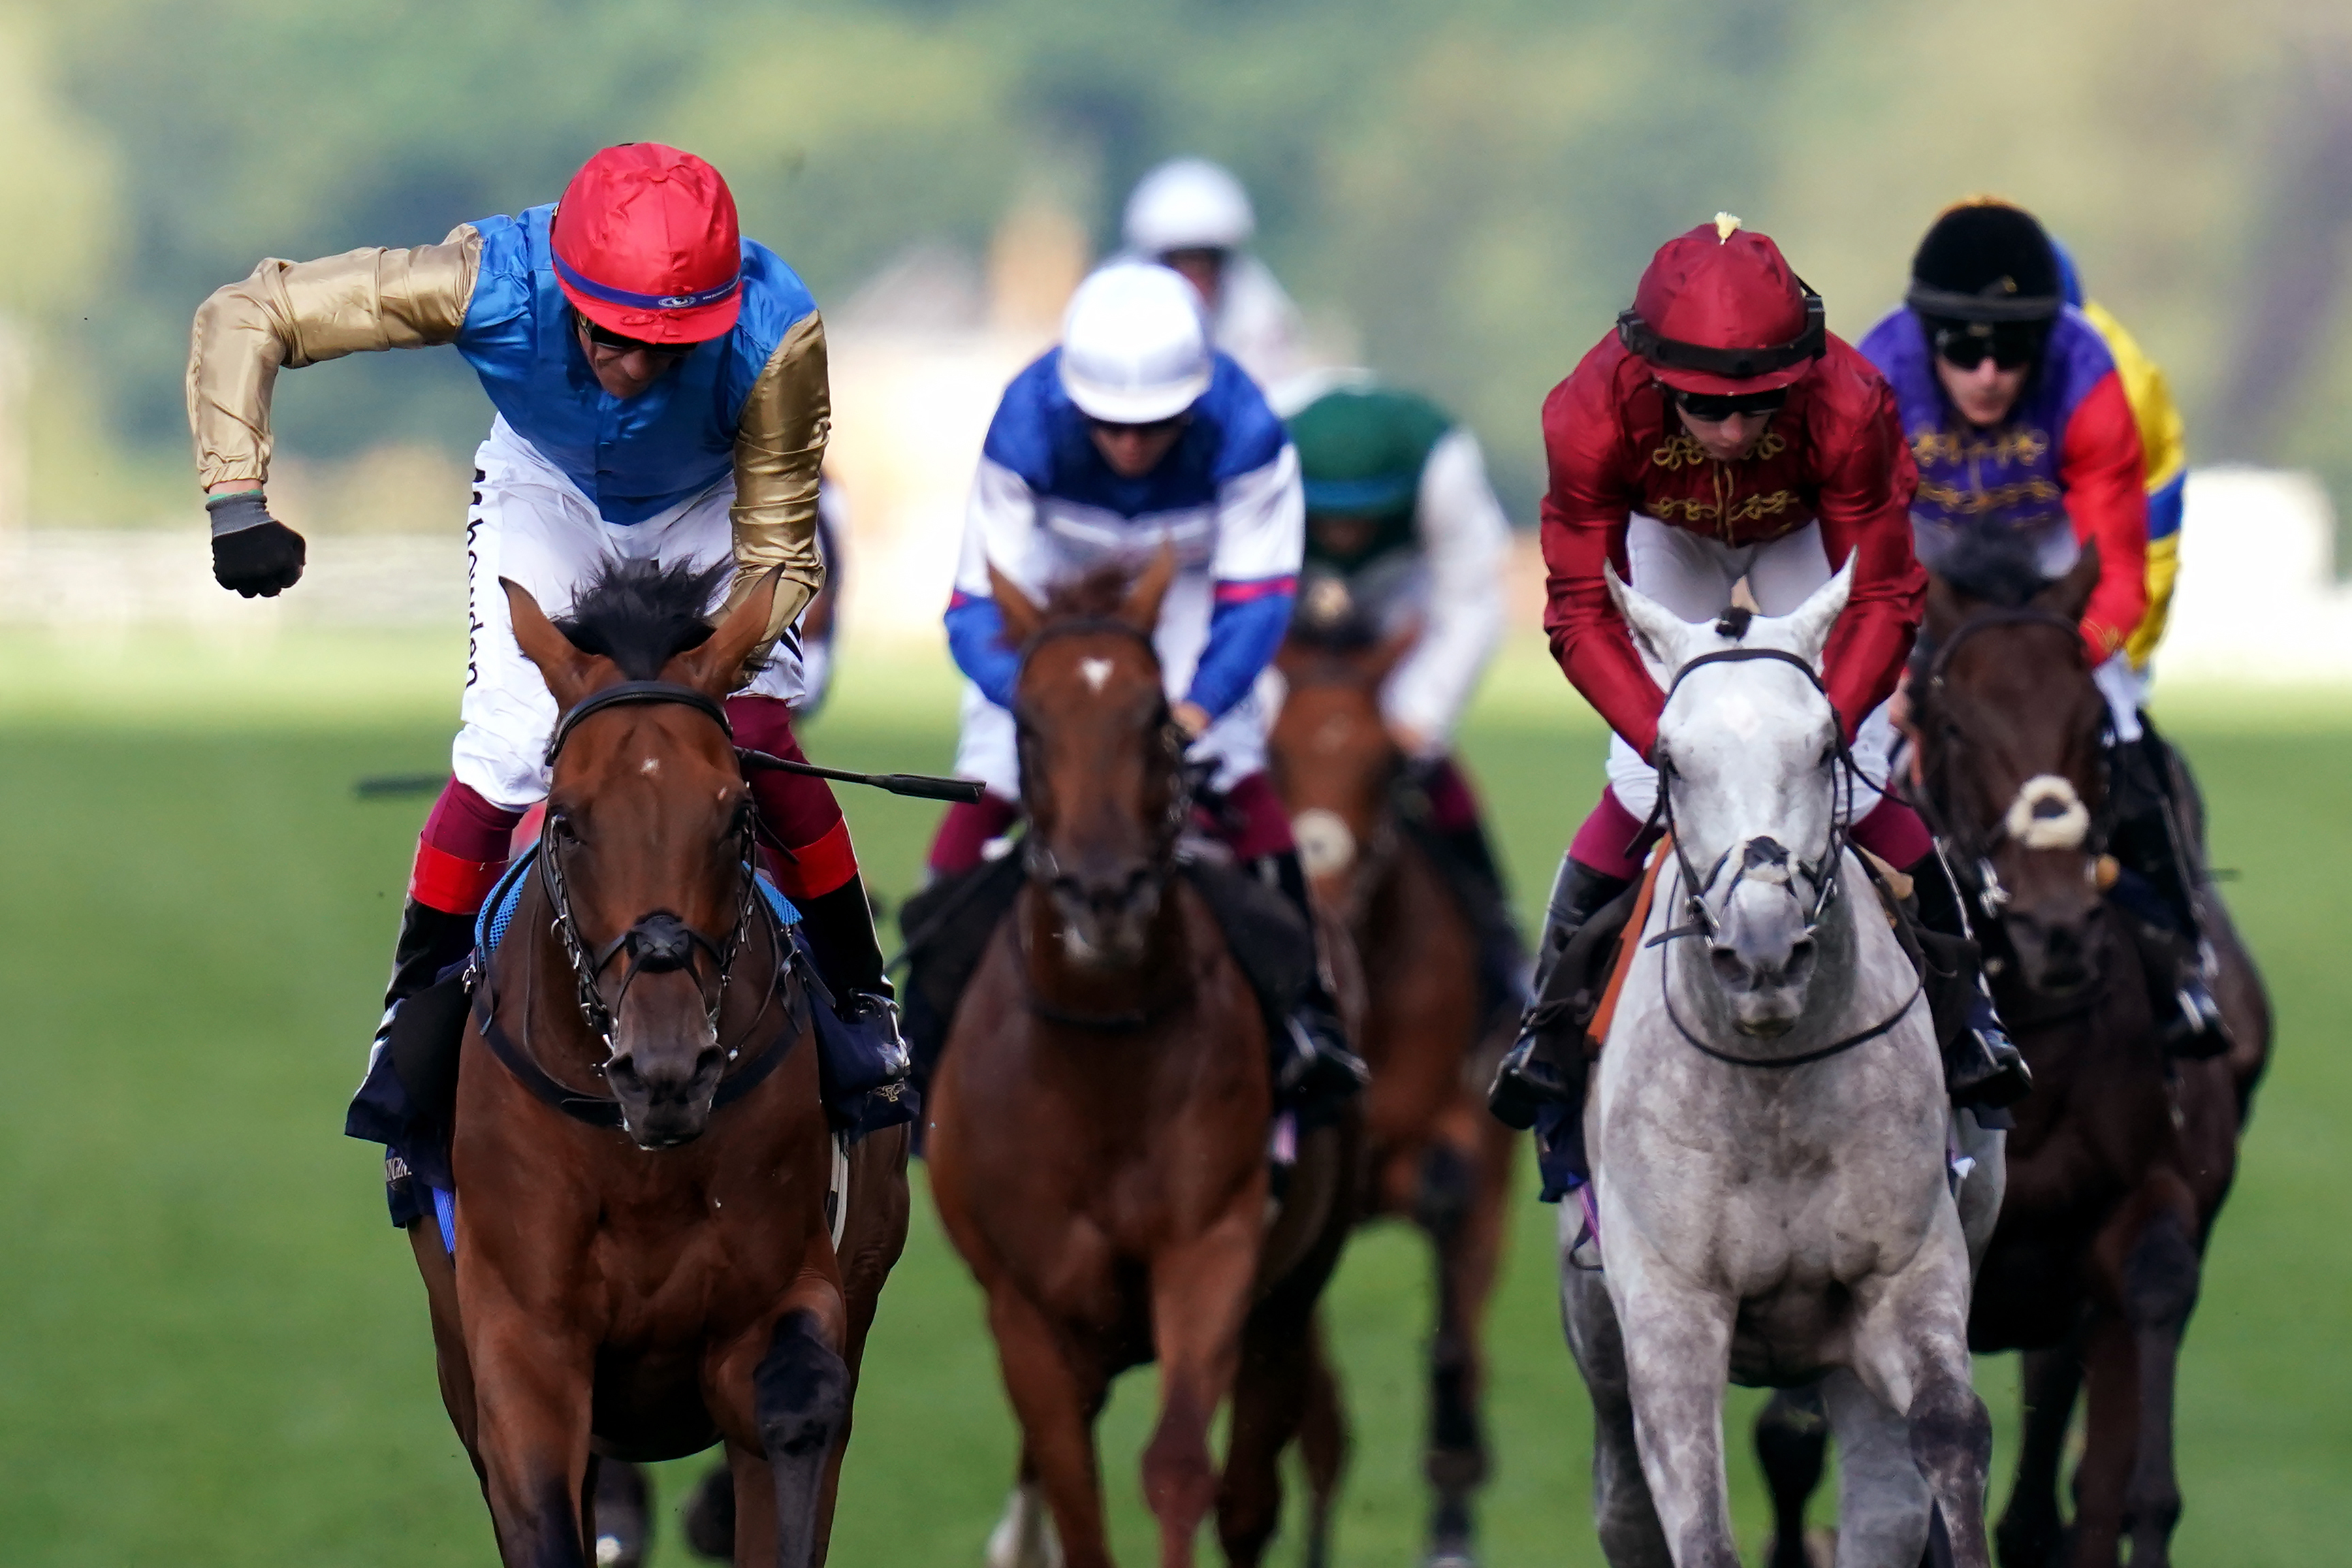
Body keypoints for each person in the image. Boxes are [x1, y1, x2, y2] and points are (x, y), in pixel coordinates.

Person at [187, 143, 906, 1220]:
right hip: (546, 486)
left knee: (755, 736)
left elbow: (781, 555)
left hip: (715, 503)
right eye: (614, 334)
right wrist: (235, 494)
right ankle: (413, 1013)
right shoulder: (487, 278)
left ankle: (862, 995)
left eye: (671, 347)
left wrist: (698, 692)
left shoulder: (777, 332)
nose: (633, 366)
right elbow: (252, 314)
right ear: (568, 291)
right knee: (513, 750)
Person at [1486, 214, 2029, 1189]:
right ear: (1651, 373)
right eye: (1705, 406)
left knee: (1856, 779)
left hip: (1802, 536)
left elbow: (1884, 592)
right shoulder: (1586, 409)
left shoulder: (1851, 401)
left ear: (1799, 373)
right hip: (1666, 538)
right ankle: (1549, 1031)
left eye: (1760, 405)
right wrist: (1667, 737)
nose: (1734, 432)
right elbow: (1575, 608)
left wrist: (1827, 722)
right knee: (1634, 776)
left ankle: (1969, 1020)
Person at [921, 259, 1363, 1113]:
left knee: (1232, 768)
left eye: (1154, 426)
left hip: (1193, 584)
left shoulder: (1246, 428)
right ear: (1073, 400)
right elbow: (976, 609)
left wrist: (1195, 709)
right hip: (1052, 584)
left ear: (1194, 402)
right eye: (1108, 426)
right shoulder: (1024, 422)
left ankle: (1307, 1016)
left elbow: (1256, 596)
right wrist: (1051, 712)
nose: (1129, 446)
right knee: (992, 778)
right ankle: (913, 1038)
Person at [1858, 198, 2223, 1044]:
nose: (1988, 373)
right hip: (1926, 545)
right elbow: (1864, 560)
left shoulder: (2094, 375)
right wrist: (1904, 678)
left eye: (2011, 351)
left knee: (2121, 725)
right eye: (1963, 349)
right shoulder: (1875, 379)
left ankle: (2182, 955)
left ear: (2046, 343)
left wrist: (2066, 666)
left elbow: (2121, 575)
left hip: (2055, 547)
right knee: (1849, 732)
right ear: (1926, 340)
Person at [1282, 377, 1523, 1002]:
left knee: (1433, 776)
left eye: (1361, 515)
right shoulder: (1264, 454)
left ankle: (1499, 941)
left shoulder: (1441, 463)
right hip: (1286, 616)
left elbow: (1471, 603)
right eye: (1330, 514)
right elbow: (1231, 590)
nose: (1344, 533)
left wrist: (1416, 717)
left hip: (1401, 613)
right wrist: (1265, 710)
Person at [1122, 157, 1306, 392]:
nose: (1193, 283)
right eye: (1180, 267)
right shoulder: (1112, 313)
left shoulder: (1259, 322)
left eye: (1204, 266)